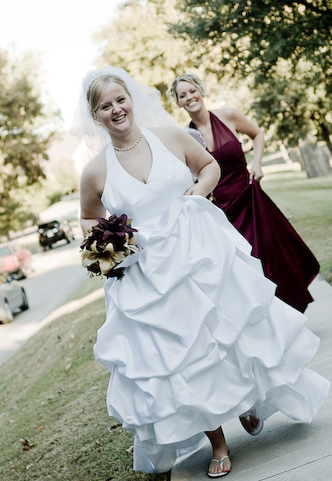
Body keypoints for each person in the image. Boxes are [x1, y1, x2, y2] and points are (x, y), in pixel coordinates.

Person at [72, 66, 330, 478]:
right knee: (182, 358)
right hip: (150, 277)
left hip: (202, 251)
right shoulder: (96, 171)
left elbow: (209, 167)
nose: (116, 109)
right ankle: (219, 442)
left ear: (131, 100)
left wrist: (198, 190)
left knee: (228, 333)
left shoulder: (172, 136)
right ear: (96, 115)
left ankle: (246, 400)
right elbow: (88, 218)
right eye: (105, 106)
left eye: (120, 100)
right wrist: (107, 241)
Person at [168, 73, 320, 313]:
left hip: (249, 197)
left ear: (201, 91)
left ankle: (291, 308)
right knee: (245, 266)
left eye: (192, 91)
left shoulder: (228, 115)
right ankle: (268, 317)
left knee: (272, 253)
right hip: (221, 210)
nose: (189, 97)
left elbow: (257, 134)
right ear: (178, 103)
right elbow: (187, 173)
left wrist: (257, 163)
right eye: (182, 95)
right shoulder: (185, 137)